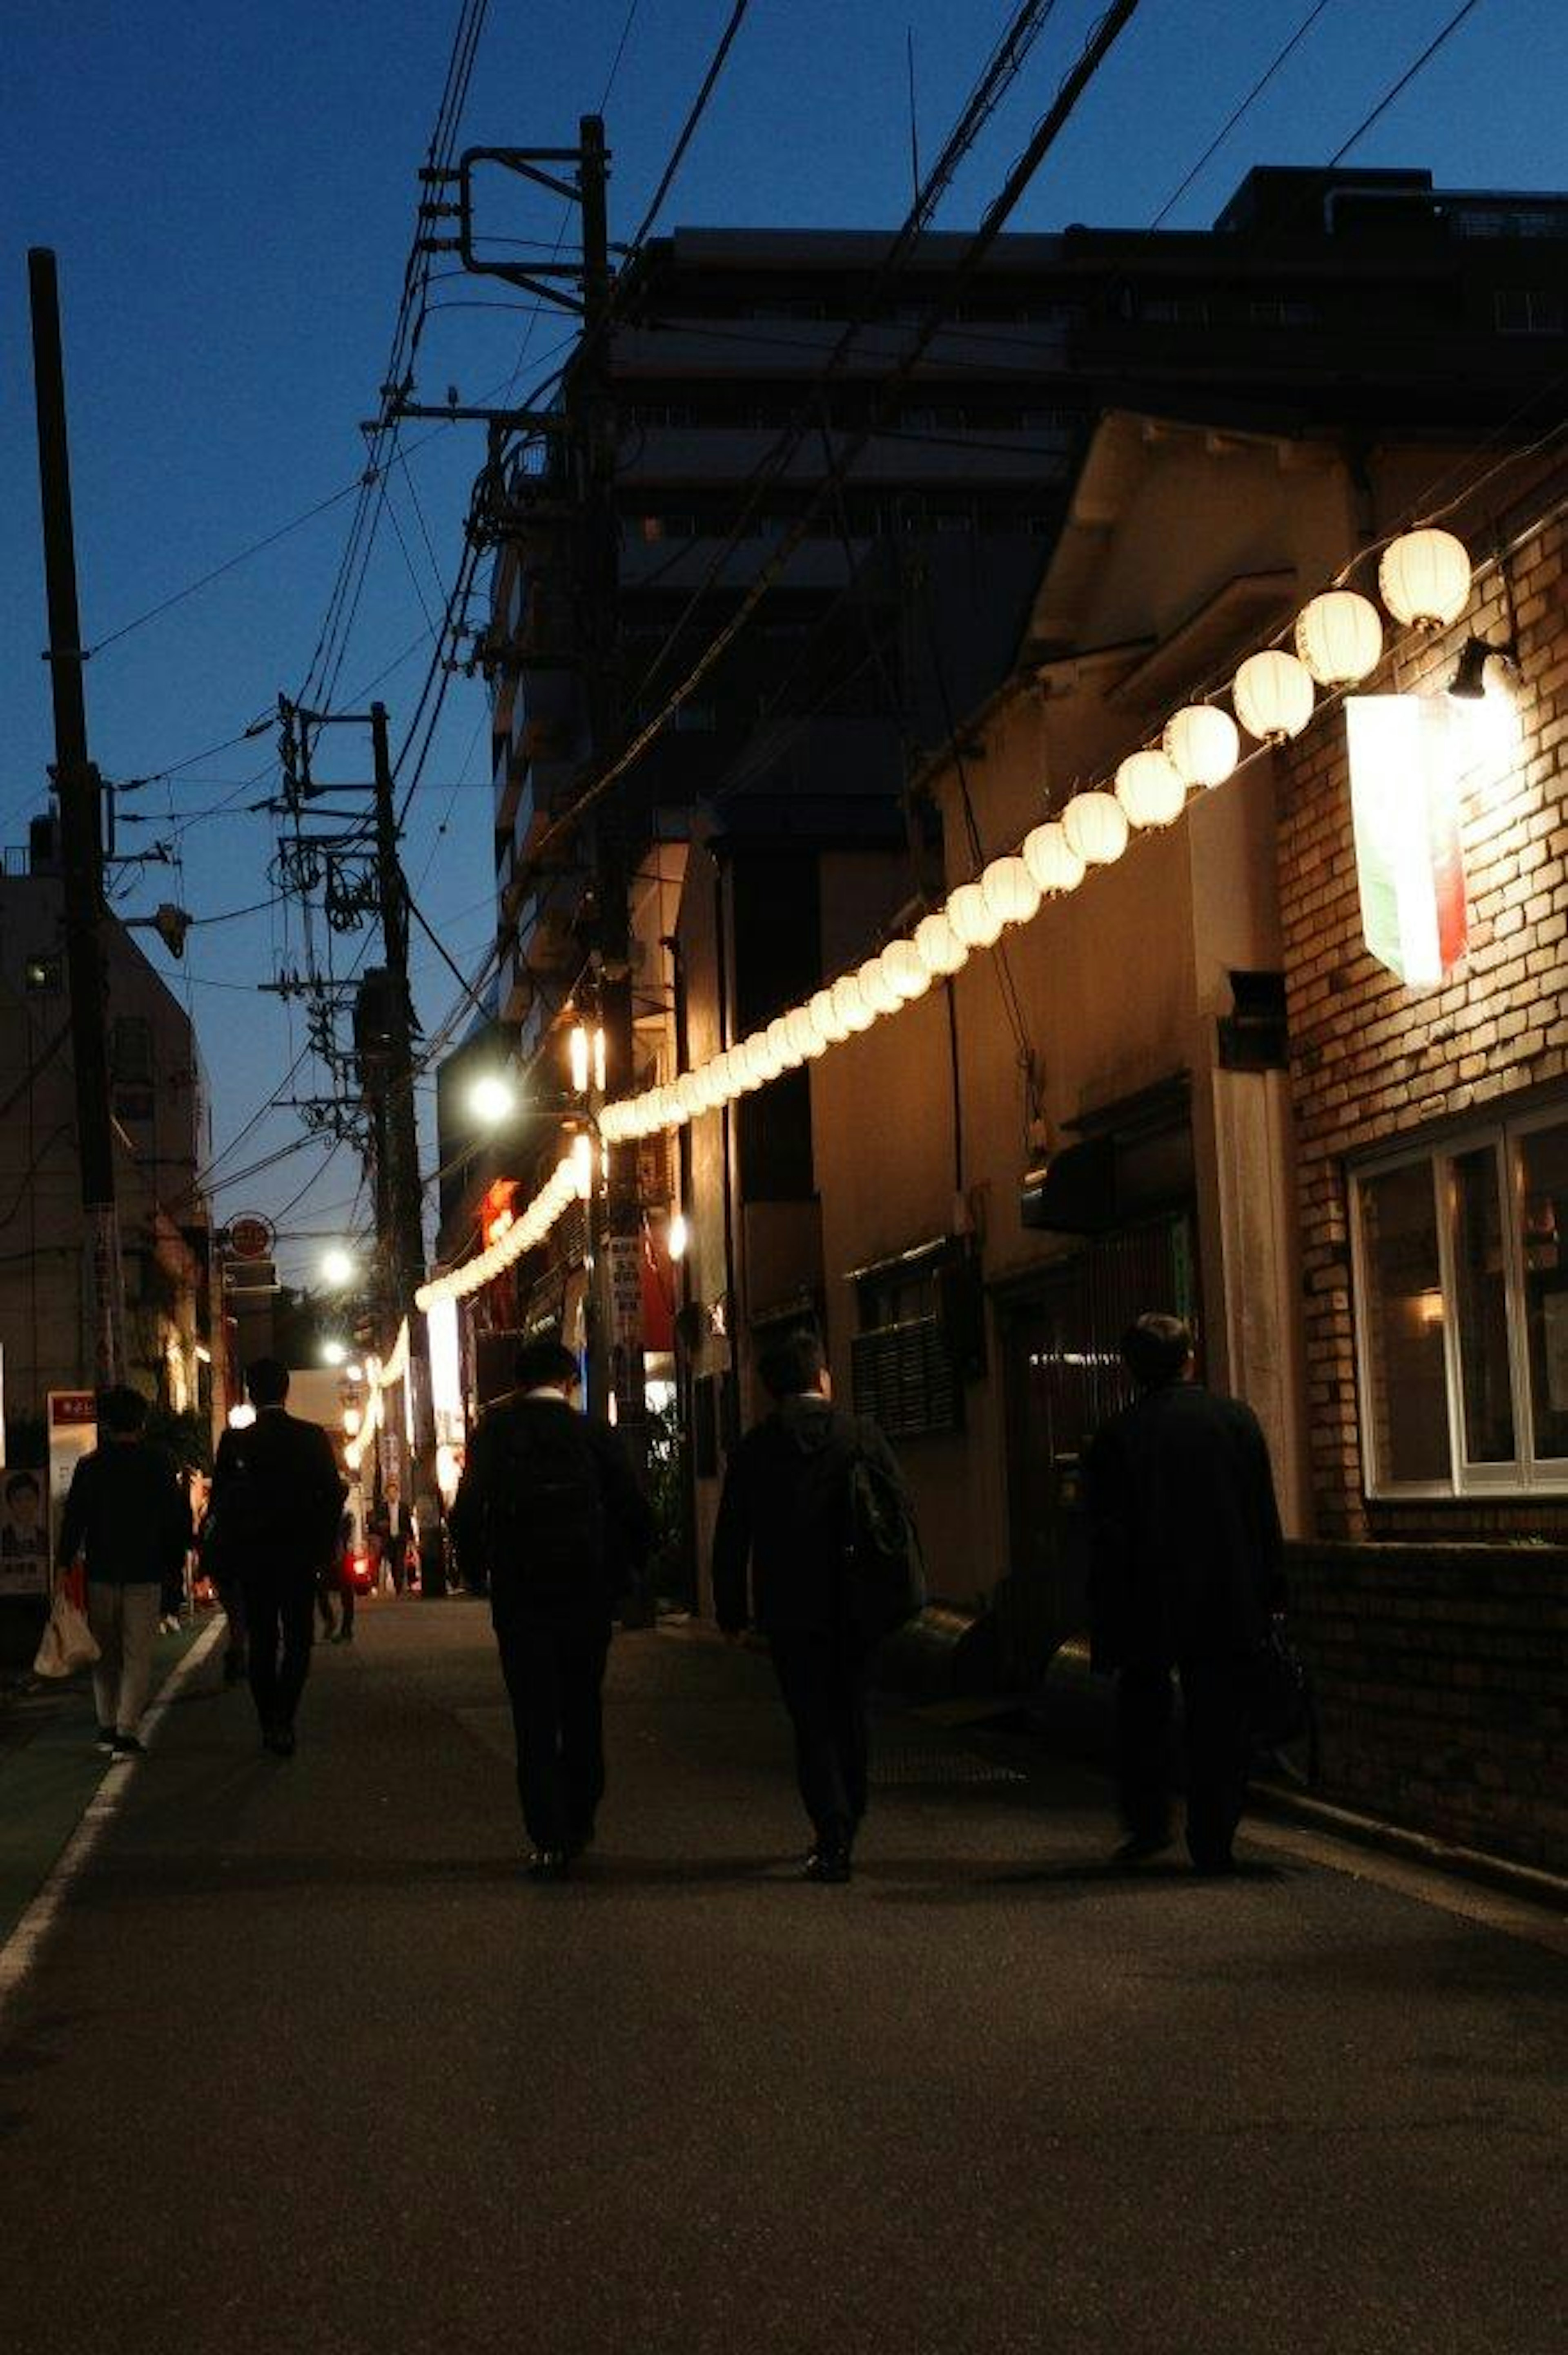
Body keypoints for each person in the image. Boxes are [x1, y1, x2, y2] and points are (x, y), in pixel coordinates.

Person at [1082, 1312, 1285, 1875]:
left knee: (1143, 1712)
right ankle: (1213, 1834)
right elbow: (1262, 1516)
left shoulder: (1117, 1437)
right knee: (1220, 1719)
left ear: (1131, 1371)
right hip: (1225, 1594)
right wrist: (1273, 1592)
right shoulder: (1236, 1422)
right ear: (1190, 1357)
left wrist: (1105, 1614)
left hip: (1147, 1599)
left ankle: (1148, 1823)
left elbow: (1104, 1537)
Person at [711, 1327, 912, 1884]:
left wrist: (731, 1611)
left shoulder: (756, 1449)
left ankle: (832, 1828)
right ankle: (852, 1807)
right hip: (857, 1601)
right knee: (852, 1707)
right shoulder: (861, 1435)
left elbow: (732, 1537)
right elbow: (898, 1511)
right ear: (822, 1375)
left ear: (771, 1389)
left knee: (810, 1719)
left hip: (790, 1607)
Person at [449, 1336, 654, 1881]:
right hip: (587, 1594)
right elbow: (633, 1508)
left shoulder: (495, 1433)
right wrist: (629, 1572)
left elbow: (467, 1511)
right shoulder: (593, 1434)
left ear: (519, 1383)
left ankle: (547, 1836)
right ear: (570, 1381)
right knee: (582, 1706)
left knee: (533, 1717)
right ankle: (581, 1815)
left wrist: (476, 1572)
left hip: (521, 1596)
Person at [209, 1357, 346, 1757]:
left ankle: (269, 1719)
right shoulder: (311, 1436)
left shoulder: (235, 1442)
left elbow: (220, 1504)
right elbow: (332, 1494)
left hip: (252, 1558)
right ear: (286, 1390)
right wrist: (322, 1545)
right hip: (299, 1555)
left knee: (263, 1639)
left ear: (251, 1393)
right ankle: (284, 1718)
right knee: (299, 1639)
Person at [57, 1386, 192, 1760]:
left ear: (106, 1424)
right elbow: (174, 1521)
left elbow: (74, 1521)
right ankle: (127, 1730)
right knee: (137, 1653)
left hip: (101, 1571)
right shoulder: (159, 1463)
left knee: (104, 1653)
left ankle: (105, 1725)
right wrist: (174, 1565)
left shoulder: (90, 1466)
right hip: (144, 1571)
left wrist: (64, 1564)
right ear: (142, 1422)